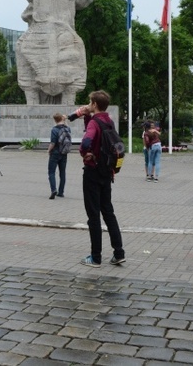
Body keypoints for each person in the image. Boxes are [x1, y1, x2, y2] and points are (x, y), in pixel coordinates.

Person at [77, 90, 125, 268]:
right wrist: (86, 116)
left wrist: (85, 154)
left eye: (90, 102)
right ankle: (118, 253)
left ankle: (95, 257)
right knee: (108, 212)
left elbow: (87, 142)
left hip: (93, 172)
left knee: (93, 215)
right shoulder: (108, 121)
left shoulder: (94, 123)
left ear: (95, 104)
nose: (88, 104)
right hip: (107, 171)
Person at [47, 112, 70, 199]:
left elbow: (53, 143)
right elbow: (67, 128)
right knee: (62, 173)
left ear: (55, 120)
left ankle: (53, 190)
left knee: (51, 172)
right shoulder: (67, 128)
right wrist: (65, 120)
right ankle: (61, 192)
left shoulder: (54, 129)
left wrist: (49, 150)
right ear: (61, 119)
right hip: (64, 153)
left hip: (55, 153)